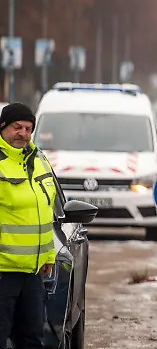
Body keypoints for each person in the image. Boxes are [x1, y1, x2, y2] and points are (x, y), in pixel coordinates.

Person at [0, 103, 57, 348]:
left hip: (33, 274)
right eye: (17, 127)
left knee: (32, 339)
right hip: (3, 272)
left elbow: (46, 213)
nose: (23, 133)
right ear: (2, 127)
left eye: (28, 128)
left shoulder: (39, 160)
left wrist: (49, 255)